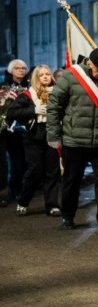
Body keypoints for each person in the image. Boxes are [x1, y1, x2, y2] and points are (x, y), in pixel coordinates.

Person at [47, 47, 98, 232]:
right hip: (74, 140)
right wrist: (54, 136)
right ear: (89, 63)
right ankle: (67, 216)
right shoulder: (70, 76)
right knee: (72, 181)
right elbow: (54, 107)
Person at [7, 64, 60, 216]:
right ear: (36, 78)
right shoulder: (27, 95)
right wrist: (34, 111)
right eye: (41, 74)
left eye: (47, 74)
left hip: (53, 135)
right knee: (34, 172)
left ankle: (52, 205)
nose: (45, 76)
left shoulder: (58, 93)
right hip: (34, 137)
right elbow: (12, 113)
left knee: (52, 172)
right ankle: (23, 201)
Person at [0, 59, 29, 208]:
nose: (21, 70)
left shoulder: (29, 85)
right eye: (17, 68)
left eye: (23, 68)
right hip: (6, 130)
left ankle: (17, 188)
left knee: (20, 162)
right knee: (3, 163)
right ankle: (4, 192)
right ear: (11, 71)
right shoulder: (4, 86)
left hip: (22, 130)